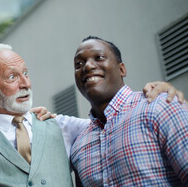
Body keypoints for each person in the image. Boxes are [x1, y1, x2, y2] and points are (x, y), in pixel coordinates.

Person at [0, 44, 182, 187]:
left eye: (26, 73)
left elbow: (112, 122)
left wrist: (163, 92)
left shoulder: (67, 127)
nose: (25, 83)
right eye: (11, 77)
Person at [70, 36, 188, 186]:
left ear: (121, 69)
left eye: (98, 57)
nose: (87, 66)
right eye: (79, 64)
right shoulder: (78, 146)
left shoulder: (162, 106)